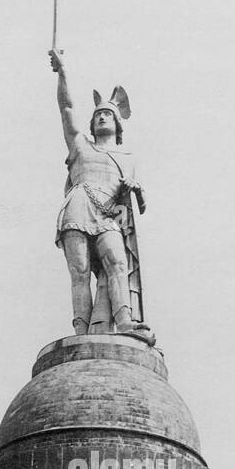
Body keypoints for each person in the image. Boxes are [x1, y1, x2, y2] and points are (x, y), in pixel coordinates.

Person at [49, 48, 154, 343]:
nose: (102, 118)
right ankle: (81, 333)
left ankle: (124, 322)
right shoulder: (81, 146)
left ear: (117, 125)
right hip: (79, 207)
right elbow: (67, 109)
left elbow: (138, 204)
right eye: (98, 115)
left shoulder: (128, 156)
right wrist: (63, 72)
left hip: (108, 215)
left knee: (118, 263)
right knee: (80, 272)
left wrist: (135, 190)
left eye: (107, 114)